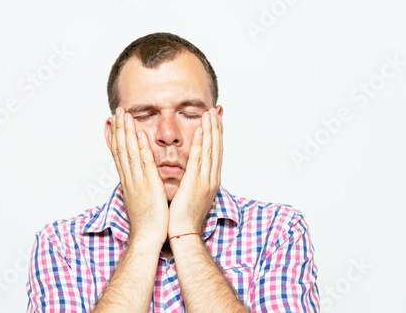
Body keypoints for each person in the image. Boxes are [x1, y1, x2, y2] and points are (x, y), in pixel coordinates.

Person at [26, 32, 319, 312]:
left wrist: (186, 233)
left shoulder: (279, 231)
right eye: (146, 115)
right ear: (114, 134)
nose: (168, 134)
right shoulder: (59, 245)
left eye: (189, 114)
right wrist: (144, 236)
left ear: (217, 125)